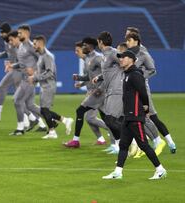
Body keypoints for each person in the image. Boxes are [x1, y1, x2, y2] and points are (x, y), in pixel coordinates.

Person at [102, 50, 166, 180]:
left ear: (131, 60)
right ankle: (118, 172)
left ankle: (160, 170)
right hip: (128, 116)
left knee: (143, 144)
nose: (121, 60)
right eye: (119, 58)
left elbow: (143, 92)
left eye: (123, 58)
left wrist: (146, 108)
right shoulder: (127, 75)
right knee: (124, 145)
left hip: (136, 116)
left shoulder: (135, 75)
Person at [125, 32, 176, 154]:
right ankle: (143, 144)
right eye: (126, 40)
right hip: (131, 90)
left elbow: (152, 70)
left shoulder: (143, 53)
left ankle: (169, 142)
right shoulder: (128, 55)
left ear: (136, 40)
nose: (127, 42)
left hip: (142, 89)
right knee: (136, 117)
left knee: (152, 116)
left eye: (129, 39)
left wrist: (141, 78)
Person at [64, 37, 111, 148]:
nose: (82, 47)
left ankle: (76, 141)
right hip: (94, 92)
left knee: (82, 112)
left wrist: (101, 88)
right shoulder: (87, 59)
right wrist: (79, 78)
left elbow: (107, 74)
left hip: (99, 92)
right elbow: (89, 77)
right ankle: (108, 137)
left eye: (84, 45)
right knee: (102, 118)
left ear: (90, 46)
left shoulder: (98, 58)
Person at [28, 35, 73, 139]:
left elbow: (50, 73)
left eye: (35, 43)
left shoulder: (48, 56)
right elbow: (42, 72)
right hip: (44, 86)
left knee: (44, 110)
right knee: (44, 110)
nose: (33, 46)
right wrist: (34, 77)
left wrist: (35, 78)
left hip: (49, 86)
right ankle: (65, 121)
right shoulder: (41, 56)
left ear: (40, 43)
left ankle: (52, 131)